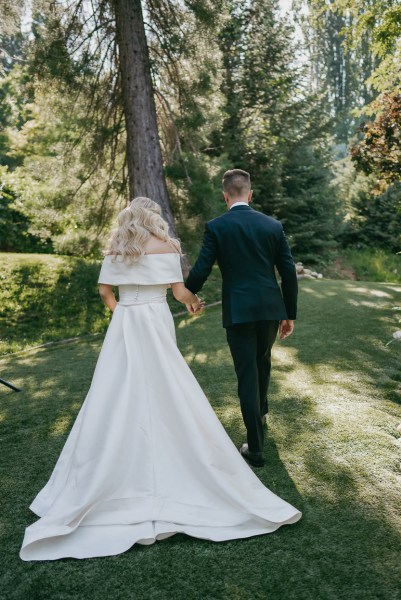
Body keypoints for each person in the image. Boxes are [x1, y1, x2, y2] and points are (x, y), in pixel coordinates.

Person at [19, 197, 301, 562]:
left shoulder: (116, 249)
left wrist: (123, 313)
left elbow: (105, 292)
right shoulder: (167, 246)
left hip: (126, 323)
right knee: (168, 384)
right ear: (153, 217)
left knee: (114, 389)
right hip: (155, 318)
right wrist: (192, 303)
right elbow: (178, 290)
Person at [186, 169, 298, 468]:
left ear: (225, 196)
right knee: (262, 362)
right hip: (269, 309)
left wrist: (186, 294)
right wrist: (289, 313)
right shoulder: (272, 226)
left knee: (248, 373)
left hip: (238, 311)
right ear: (250, 194)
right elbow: (288, 273)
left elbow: (201, 270)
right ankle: (259, 417)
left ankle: (256, 446)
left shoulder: (217, 227)